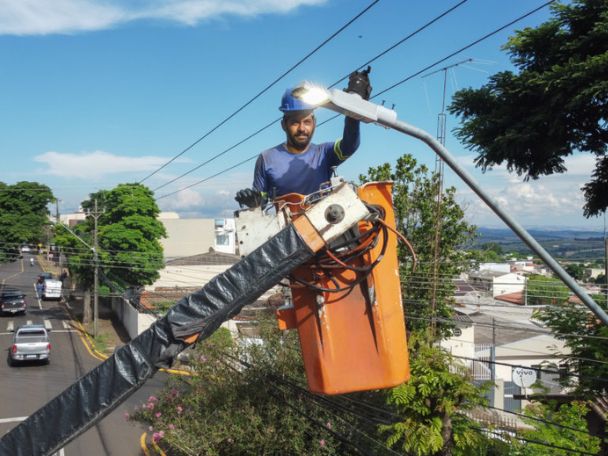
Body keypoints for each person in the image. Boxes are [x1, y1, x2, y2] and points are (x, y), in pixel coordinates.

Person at [235, 67, 372, 208]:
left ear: (314, 124)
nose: (302, 128)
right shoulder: (267, 158)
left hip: (324, 225)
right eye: (295, 122)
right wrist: (253, 201)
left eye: (307, 122)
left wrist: (353, 110)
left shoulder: (324, 153)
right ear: (284, 125)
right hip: (286, 228)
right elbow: (261, 201)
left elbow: (349, 145)